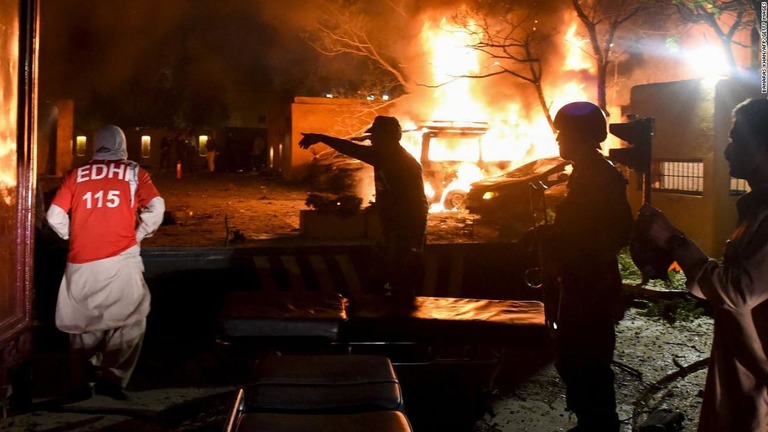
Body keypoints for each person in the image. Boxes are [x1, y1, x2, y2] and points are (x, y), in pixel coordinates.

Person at [637, 97, 768, 432]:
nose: (727, 150)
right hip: (744, 369)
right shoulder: (755, 208)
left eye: (737, 139)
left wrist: (675, 241)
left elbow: (736, 291)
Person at [46, 125, 165, 401]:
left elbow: (54, 215)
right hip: (122, 258)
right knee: (131, 319)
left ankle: (81, 381)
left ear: (95, 145)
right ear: (122, 144)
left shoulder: (76, 175)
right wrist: (139, 234)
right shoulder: (135, 172)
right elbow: (157, 206)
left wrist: (72, 234)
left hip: (81, 262)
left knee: (83, 323)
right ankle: (113, 379)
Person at [538, 102, 633, 431]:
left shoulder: (600, 177)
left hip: (591, 282)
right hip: (581, 279)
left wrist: (562, 242)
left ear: (579, 136)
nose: (558, 141)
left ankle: (600, 425)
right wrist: (552, 235)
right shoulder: (586, 173)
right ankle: (591, 421)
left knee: (587, 358)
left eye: (562, 133)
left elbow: (616, 230)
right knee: (573, 356)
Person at [299, 116, 429, 307]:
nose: (371, 140)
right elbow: (353, 149)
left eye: (375, 136)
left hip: (404, 232)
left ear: (388, 137)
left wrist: (416, 243)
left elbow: (419, 204)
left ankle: (400, 324)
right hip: (393, 230)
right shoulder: (386, 156)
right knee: (387, 276)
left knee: (400, 281)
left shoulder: (402, 162)